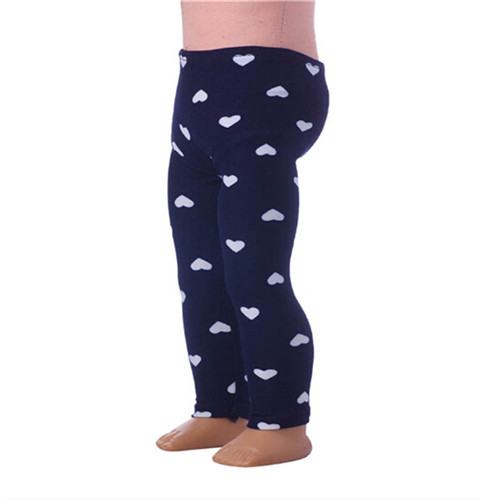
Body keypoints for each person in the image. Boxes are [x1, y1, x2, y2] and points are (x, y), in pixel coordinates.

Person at [156, 0, 330, 467]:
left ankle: (282, 422)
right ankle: (220, 408)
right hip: (195, 91)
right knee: (200, 275)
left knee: (256, 276)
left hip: (266, 89)